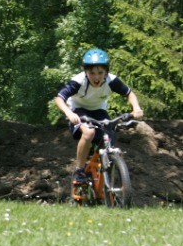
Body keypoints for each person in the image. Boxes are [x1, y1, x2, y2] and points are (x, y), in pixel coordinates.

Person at [53, 48, 143, 185]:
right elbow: (59, 98)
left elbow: (129, 94)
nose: (96, 77)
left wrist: (136, 108)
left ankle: (104, 177)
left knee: (110, 145)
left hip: (99, 111)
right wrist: (69, 113)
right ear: (85, 72)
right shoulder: (78, 81)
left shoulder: (112, 80)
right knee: (89, 132)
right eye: (92, 73)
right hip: (78, 110)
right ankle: (79, 170)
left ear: (106, 72)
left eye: (100, 73)